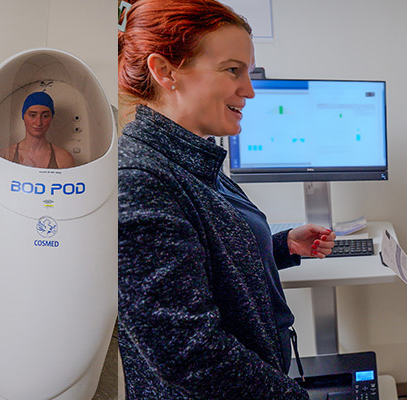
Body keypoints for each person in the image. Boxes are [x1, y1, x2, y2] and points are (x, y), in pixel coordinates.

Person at [112, 1, 337, 398]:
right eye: (233, 70)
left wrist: (281, 245)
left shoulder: (193, 158)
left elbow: (206, 258)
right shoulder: (138, 179)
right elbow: (189, 353)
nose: (248, 90)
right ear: (165, 71)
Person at [0, 91, 75, 168]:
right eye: (32, 115)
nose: (38, 122)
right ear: (23, 116)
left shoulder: (64, 158)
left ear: (51, 118)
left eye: (45, 116)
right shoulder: (5, 155)